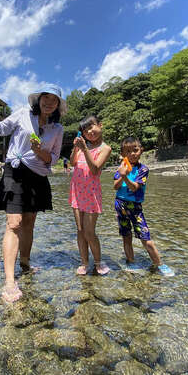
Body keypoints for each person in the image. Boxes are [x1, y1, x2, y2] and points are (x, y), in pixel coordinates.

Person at [0, 85, 65, 303]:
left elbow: (54, 159)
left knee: (29, 221)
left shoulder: (57, 128)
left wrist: (40, 151)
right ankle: (10, 281)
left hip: (38, 177)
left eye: (54, 100)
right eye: (45, 98)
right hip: (15, 172)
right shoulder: (22, 113)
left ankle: (25, 263)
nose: (49, 102)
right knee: (14, 223)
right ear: (38, 100)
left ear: (58, 105)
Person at [113, 137, 174, 276]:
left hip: (135, 207)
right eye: (128, 151)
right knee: (126, 236)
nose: (132, 154)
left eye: (135, 150)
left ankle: (160, 264)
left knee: (146, 238)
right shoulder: (122, 167)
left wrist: (125, 177)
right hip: (120, 205)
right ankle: (131, 261)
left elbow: (135, 188)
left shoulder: (143, 169)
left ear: (141, 150)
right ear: (123, 154)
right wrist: (122, 175)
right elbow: (115, 186)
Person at [69, 115, 112, 275]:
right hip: (77, 192)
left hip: (91, 194)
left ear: (100, 125)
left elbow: (94, 169)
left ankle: (99, 262)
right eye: (85, 130)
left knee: (89, 231)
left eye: (92, 127)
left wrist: (85, 149)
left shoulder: (105, 148)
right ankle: (84, 263)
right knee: (80, 230)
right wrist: (76, 147)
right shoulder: (82, 147)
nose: (89, 132)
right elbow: (73, 163)